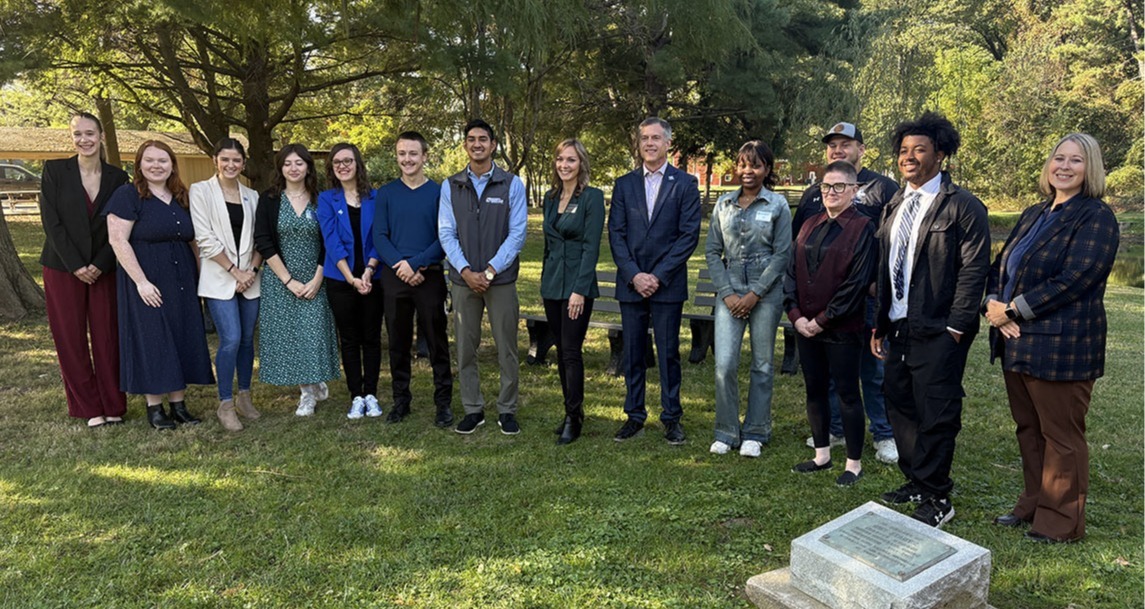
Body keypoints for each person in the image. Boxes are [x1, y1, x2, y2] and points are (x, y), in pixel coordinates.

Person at [983, 134, 1119, 543]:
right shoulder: (1033, 213)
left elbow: (1076, 278)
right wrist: (993, 304)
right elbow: (1001, 266)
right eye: (1058, 158)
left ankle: (1060, 521)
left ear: (1089, 168)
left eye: (1075, 160)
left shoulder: (1096, 216)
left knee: (1061, 435)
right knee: (1028, 428)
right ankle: (1033, 501)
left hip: (1063, 346)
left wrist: (1013, 309)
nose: (1064, 166)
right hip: (1017, 341)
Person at [870, 112, 990, 528]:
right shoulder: (894, 205)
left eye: (919, 149)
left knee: (936, 410)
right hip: (898, 326)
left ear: (940, 154)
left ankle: (938, 495)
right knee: (900, 404)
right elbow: (885, 265)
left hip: (940, 329)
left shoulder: (963, 207)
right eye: (903, 150)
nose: (909, 157)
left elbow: (975, 270)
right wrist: (881, 323)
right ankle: (916, 480)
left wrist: (957, 325)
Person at [792, 122, 900, 465]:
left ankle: (883, 433)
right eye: (832, 145)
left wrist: (877, 284)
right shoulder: (813, 193)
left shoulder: (883, 188)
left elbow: (894, 239)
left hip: (865, 296)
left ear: (862, 149)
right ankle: (835, 429)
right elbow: (799, 245)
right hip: (820, 300)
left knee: (872, 369)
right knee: (828, 372)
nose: (838, 150)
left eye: (846, 144)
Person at [105, 140, 214, 429]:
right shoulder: (128, 195)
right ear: (139, 164)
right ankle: (155, 408)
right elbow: (117, 240)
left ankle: (179, 405)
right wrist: (141, 282)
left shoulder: (180, 195)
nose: (156, 166)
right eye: (150, 160)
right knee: (153, 340)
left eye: (163, 161)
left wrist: (203, 279)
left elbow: (194, 241)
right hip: (147, 280)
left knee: (181, 336)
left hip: (183, 280)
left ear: (172, 165)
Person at [608, 117, 701, 445]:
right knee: (632, 352)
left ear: (668, 144)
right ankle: (634, 415)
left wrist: (658, 276)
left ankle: (671, 416)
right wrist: (635, 275)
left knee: (668, 353)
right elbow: (616, 235)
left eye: (656, 138)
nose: (649, 143)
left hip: (668, 285)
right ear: (639, 143)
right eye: (644, 138)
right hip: (631, 283)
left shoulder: (685, 184)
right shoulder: (624, 184)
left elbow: (688, 236)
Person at [785, 161, 877, 486]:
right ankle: (821, 454)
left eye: (839, 187)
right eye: (826, 186)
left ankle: (853, 463)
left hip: (841, 328)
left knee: (848, 394)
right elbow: (791, 272)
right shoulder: (809, 224)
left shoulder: (863, 228)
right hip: (805, 327)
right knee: (814, 390)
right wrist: (796, 317)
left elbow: (856, 284)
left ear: (854, 190)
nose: (831, 193)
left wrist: (822, 321)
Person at [39, 112, 130, 428]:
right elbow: (52, 223)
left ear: (101, 135)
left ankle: (113, 402)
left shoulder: (118, 178)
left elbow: (118, 227)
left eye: (90, 133)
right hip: (63, 267)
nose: (84, 140)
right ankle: (88, 406)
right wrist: (77, 265)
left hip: (104, 267)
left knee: (107, 335)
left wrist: (100, 263)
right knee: (70, 337)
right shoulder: (54, 171)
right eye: (77, 134)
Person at [438, 119, 527, 435]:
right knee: (465, 347)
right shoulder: (450, 186)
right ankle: (473, 409)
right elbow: (446, 233)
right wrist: (465, 271)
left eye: (483, 139)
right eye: (471, 139)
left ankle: (507, 409)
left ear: (493, 145)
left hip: (499, 281)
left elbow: (517, 234)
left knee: (507, 347)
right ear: (465, 145)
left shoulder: (511, 184)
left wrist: (489, 271)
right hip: (463, 281)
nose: (477, 144)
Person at [704, 140, 790, 458]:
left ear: (767, 169)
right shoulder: (723, 205)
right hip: (729, 294)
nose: (747, 171)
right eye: (742, 164)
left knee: (763, 365)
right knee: (724, 365)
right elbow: (713, 251)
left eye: (755, 164)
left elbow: (782, 255)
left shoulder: (777, 205)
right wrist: (727, 293)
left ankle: (755, 431)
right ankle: (726, 431)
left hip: (765, 294)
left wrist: (755, 294)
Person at [374, 131, 454, 427]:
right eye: (402, 154)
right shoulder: (386, 193)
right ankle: (401, 400)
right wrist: (401, 265)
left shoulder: (439, 192)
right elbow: (379, 236)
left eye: (413, 154)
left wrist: (417, 264)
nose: (407, 159)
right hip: (394, 277)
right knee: (397, 341)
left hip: (429, 276)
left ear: (424, 156)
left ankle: (443, 403)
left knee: (436, 341)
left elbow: (444, 236)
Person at [254, 144, 340, 416]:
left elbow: (329, 240)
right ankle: (307, 393)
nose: (294, 168)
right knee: (291, 335)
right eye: (288, 163)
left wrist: (317, 278)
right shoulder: (269, 200)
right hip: (281, 279)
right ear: (280, 167)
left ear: (308, 167)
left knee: (313, 332)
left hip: (316, 275)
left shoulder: (321, 199)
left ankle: (313, 382)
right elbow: (264, 241)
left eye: (299, 163)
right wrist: (288, 280)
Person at [189, 137, 262, 432]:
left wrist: (251, 271)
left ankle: (245, 395)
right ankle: (225, 403)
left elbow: (261, 238)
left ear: (243, 163)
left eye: (236, 160)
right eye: (225, 159)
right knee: (230, 338)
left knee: (247, 340)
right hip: (220, 277)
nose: (231, 165)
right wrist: (234, 271)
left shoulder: (252, 196)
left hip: (250, 278)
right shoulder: (201, 191)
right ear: (215, 161)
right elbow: (204, 238)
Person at [540, 139, 605, 445]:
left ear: (582, 164)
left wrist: (580, 290)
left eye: (571, 160)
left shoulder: (592, 198)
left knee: (570, 350)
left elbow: (592, 248)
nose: (564, 165)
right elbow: (548, 246)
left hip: (577, 286)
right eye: (560, 160)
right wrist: (544, 280)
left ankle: (573, 416)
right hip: (552, 285)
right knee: (560, 352)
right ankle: (571, 411)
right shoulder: (550, 198)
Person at [317, 143, 385, 420]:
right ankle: (356, 395)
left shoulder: (376, 198)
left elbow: (380, 236)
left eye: (348, 160)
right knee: (349, 338)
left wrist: (368, 272)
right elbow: (331, 241)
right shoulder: (326, 199)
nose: (343, 165)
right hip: (340, 279)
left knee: (371, 337)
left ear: (358, 163)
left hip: (373, 277)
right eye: (337, 162)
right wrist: (351, 278)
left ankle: (371, 393)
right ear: (332, 168)